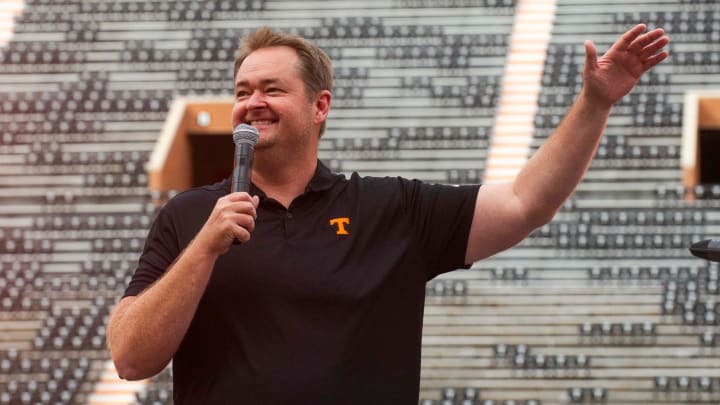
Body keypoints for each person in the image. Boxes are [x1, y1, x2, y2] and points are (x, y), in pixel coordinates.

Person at [107, 24, 669, 404]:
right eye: (242, 91)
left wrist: (595, 104)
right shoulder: (189, 217)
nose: (252, 102)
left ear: (319, 106)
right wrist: (204, 248)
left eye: (272, 89)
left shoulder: (388, 208)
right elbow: (131, 359)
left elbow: (525, 203)